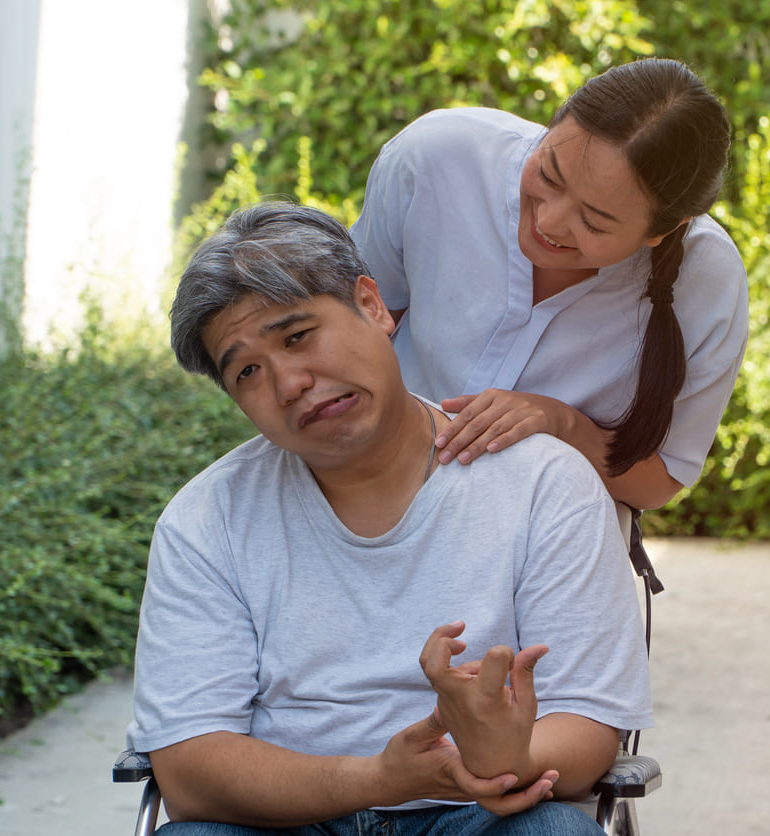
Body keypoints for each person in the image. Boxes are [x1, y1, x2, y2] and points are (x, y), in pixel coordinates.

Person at [126, 201, 653, 835]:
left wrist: (501, 757)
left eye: (297, 336)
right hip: (285, 820)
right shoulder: (205, 521)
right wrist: (379, 778)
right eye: (247, 372)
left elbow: (586, 730)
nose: (290, 382)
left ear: (373, 306)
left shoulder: (543, 483)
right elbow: (189, 769)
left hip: (479, 812)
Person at [351, 57, 749, 511]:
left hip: (548, 555)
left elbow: (659, 481)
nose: (549, 221)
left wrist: (562, 424)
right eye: (548, 174)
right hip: (368, 508)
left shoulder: (708, 280)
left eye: (594, 223)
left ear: (662, 231)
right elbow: (351, 333)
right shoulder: (436, 159)